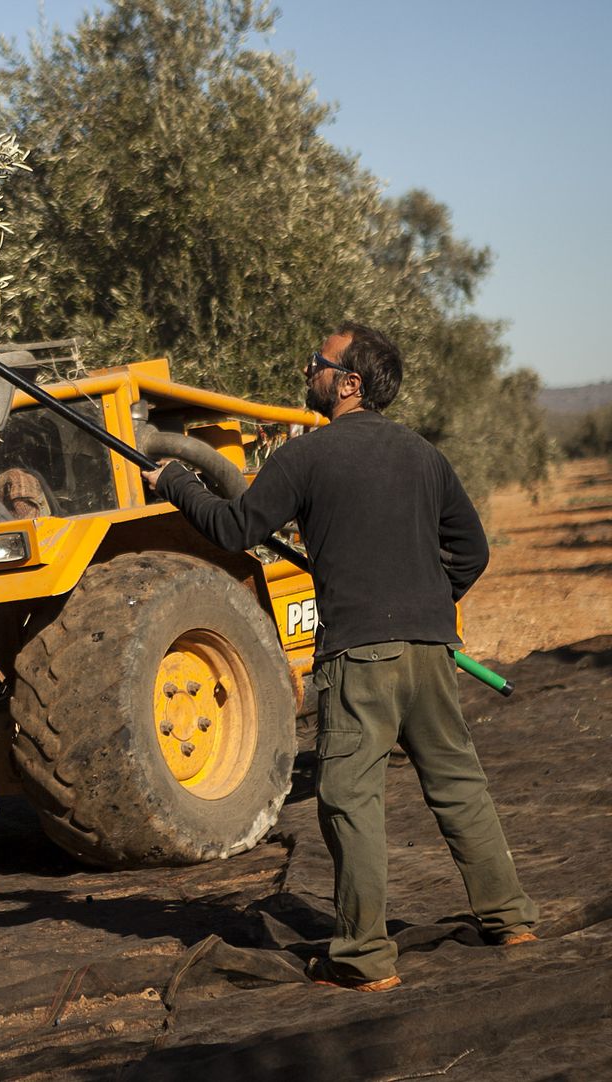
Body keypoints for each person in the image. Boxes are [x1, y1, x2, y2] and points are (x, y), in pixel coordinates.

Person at [142, 321, 538, 992]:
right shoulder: (424, 457)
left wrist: (177, 481)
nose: (308, 372)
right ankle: (510, 917)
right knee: (458, 785)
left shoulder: (308, 457)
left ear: (349, 382)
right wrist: (429, 605)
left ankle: (361, 957)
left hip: (362, 656)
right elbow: (472, 551)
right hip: (432, 650)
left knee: (351, 800)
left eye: (316, 363)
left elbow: (236, 527)